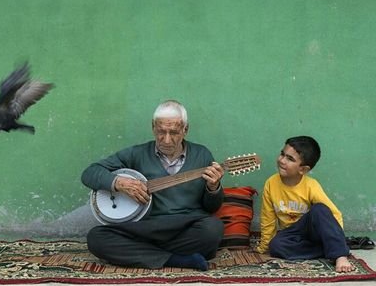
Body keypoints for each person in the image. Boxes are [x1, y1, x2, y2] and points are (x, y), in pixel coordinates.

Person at [81, 100, 225, 271]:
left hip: (186, 225)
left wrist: (213, 187)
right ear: (153, 127)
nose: (166, 139)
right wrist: (119, 183)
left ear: (185, 130)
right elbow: (89, 173)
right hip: (146, 227)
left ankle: (144, 255)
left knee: (213, 230)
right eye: (160, 132)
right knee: (96, 238)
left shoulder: (202, 154)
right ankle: (177, 259)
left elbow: (211, 207)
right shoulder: (136, 154)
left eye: (174, 132)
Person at [256, 136, 354, 273]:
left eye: (290, 159)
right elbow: (268, 218)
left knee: (320, 209)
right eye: (282, 154)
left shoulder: (311, 186)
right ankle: (325, 249)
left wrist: (338, 241)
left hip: (312, 230)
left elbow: (334, 215)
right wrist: (265, 246)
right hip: (292, 234)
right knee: (276, 246)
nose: (282, 160)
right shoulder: (270, 184)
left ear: (303, 169)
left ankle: (339, 254)